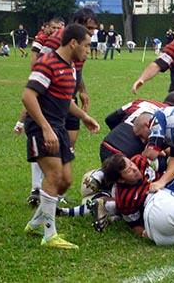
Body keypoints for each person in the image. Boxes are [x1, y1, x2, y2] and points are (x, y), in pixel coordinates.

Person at [22, 23, 100, 249]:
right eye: (86, 46)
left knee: (65, 182)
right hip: (41, 127)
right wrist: (45, 127)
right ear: (73, 43)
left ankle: (37, 221)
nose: (88, 50)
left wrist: (84, 116)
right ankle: (50, 235)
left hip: (59, 126)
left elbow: (65, 101)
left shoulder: (71, 67)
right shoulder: (47, 64)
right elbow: (28, 96)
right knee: (55, 176)